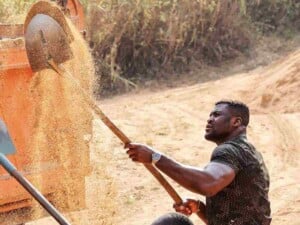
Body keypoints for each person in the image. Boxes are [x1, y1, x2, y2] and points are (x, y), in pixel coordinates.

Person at [125, 100, 271, 225]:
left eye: (217, 115)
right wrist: (199, 207)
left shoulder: (230, 150)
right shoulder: (250, 152)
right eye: (210, 115)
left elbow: (208, 184)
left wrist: (155, 157)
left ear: (236, 122)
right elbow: (235, 218)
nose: (209, 119)